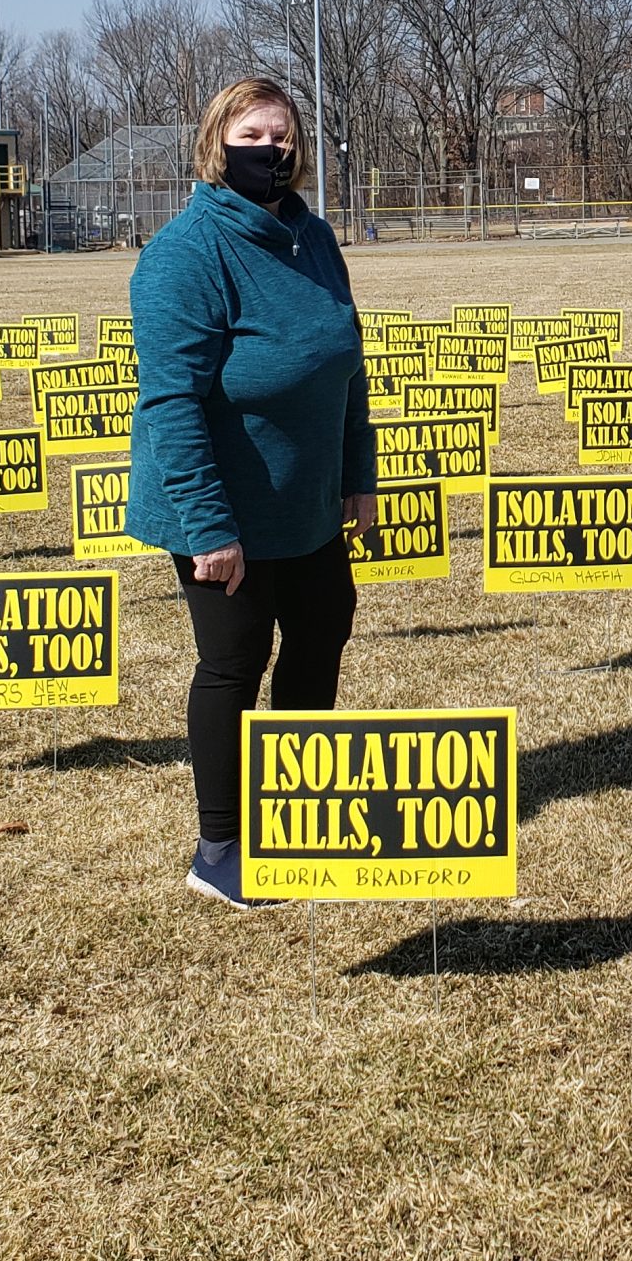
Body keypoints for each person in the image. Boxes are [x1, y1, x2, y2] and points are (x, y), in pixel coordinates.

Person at [127, 76, 377, 910]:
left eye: (281, 136)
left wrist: (356, 474)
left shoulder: (314, 238)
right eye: (251, 135)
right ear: (215, 144)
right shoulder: (186, 253)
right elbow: (170, 403)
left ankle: (297, 810)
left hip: (305, 501)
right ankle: (220, 846)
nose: (269, 150)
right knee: (234, 664)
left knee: (321, 634)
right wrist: (209, 527)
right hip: (222, 510)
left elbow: (347, 365)